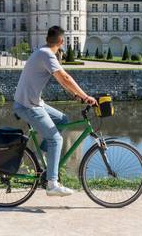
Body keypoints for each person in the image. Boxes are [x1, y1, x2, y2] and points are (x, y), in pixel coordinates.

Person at [13, 26, 97, 197]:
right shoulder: (47, 54)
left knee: (63, 120)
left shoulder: (42, 52)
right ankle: (52, 183)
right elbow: (65, 77)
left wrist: (76, 94)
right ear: (61, 41)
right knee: (56, 139)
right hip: (28, 106)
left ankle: (42, 156)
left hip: (32, 102)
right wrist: (85, 96)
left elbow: (61, 80)